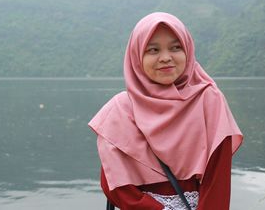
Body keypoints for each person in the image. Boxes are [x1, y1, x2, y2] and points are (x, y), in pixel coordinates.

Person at [89, 12, 243, 210]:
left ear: (188, 50)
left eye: (176, 47)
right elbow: (114, 183)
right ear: (136, 56)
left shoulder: (209, 101)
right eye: (153, 50)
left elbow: (217, 179)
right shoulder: (119, 110)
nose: (166, 58)